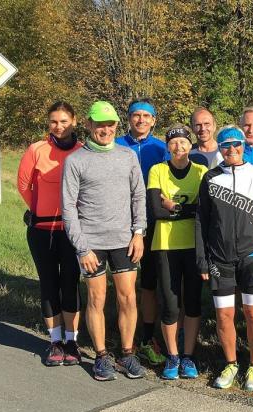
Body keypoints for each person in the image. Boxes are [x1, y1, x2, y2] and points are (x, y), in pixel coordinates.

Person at [61, 101, 147, 381]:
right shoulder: (75, 161)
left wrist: (139, 232)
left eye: (110, 125)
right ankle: (100, 356)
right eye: (100, 124)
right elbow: (68, 208)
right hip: (92, 243)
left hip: (125, 240)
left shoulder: (127, 156)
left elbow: (138, 196)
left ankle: (127, 354)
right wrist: (81, 247)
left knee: (128, 298)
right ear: (88, 125)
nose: (106, 129)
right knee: (97, 298)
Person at [195, 126, 253, 391]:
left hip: (251, 257)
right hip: (220, 259)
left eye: (236, 144)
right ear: (219, 148)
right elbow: (201, 222)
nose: (231, 150)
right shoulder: (210, 178)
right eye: (225, 145)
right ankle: (230, 363)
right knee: (224, 315)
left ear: (243, 145)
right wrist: (202, 259)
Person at [17, 101, 83, 367]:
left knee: (70, 284)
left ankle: (72, 341)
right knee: (48, 284)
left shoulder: (82, 151)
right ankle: (55, 341)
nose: (59, 126)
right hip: (42, 231)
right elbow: (24, 184)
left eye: (64, 121)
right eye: (54, 121)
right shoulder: (37, 149)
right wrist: (36, 210)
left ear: (74, 121)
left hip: (71, 231)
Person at [147, 125, 208, 380]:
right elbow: (155, 211)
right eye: (173, 143)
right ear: (167, 147)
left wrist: (172, 206)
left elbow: (204, 210)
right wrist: (186, 209)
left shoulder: (201, 171)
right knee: (171, 306)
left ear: (190, 145)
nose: (178, 147)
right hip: (165, 246)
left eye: (183, 142)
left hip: (194, 245)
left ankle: (188, 356)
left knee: (192, 303)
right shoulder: (157, 170)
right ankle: (172, 356)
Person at [115, 98, 170, 367]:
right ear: (128, 118)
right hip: (119, 224)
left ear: (154, 120)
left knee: (148, 284)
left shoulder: (162, 148)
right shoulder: (116, 145)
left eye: (146, 116)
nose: (140, 120)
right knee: (123, 285)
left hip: (152, 225)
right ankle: (125, 337)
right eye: (136, 115)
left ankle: (148, 337)